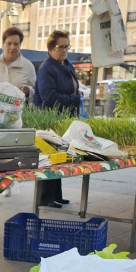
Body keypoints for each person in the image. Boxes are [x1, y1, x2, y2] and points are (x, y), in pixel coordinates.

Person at [0, 26, 37, 205]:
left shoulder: (27, 66)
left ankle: (9, 181)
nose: (12, 47)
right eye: (9, 43)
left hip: (14, 119)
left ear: (20, 45)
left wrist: (27, 91)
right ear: (3, 44)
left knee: (10, 153)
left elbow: (36, 91)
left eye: (16, 44)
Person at [33, 30, 78, 209]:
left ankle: (57, 195)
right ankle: (46, 197)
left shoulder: (67, 65)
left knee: (60, 156)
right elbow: (48, 97)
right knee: (50, 158)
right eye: (61, 47)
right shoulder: (47, 68)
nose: (64, 50)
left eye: (67, 46)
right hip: (49, 120)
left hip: (63, 119)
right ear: (51, 48)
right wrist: (75, 99)